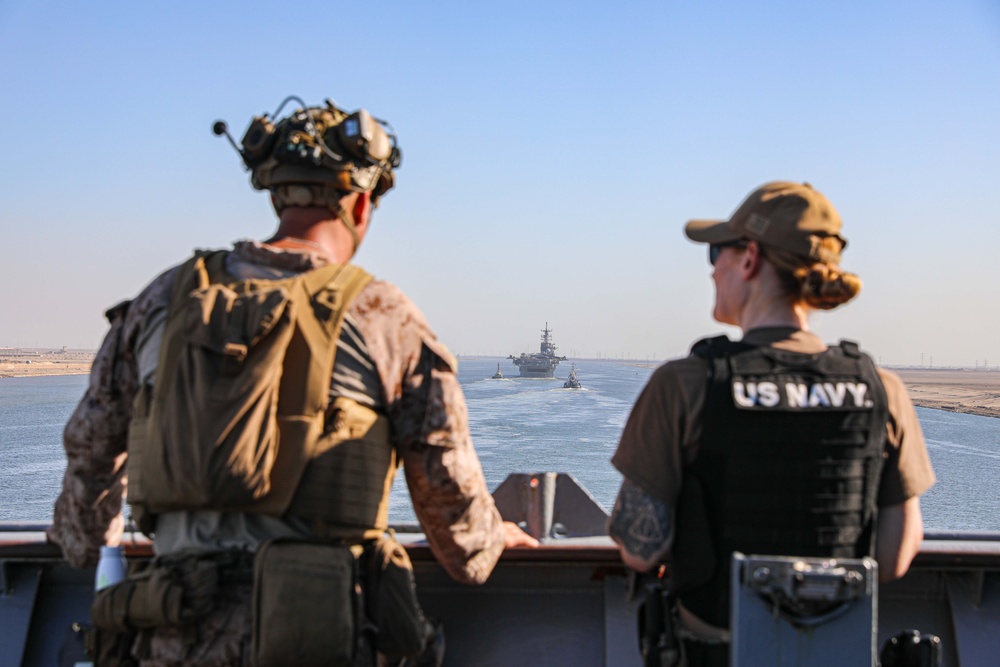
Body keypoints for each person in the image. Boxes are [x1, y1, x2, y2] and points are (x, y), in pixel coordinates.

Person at [49, 96, 537, 667]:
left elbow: (84, 510)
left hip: (168, 636)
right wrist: (493, 537)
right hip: (320, 639)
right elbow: (459, 534)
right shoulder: (385, 316)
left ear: (276, 193)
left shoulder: (163, 300)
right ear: (360, 205)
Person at [608, 181, 935, 665]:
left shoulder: (687, 383)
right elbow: (894, 557)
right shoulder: (881, 390)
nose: (713, 267)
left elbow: (641, 551)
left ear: (749, 259)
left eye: (717, 251)